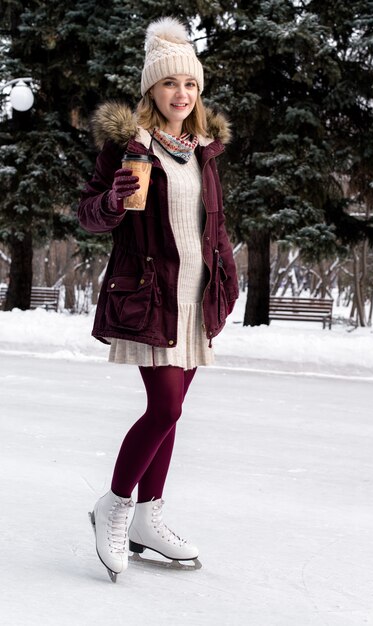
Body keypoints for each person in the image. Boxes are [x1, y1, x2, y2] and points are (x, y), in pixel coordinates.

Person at [78, 16, 238, 581]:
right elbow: (89, 216)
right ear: (152, 89)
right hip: (150, 296)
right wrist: (115, 201)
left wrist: (228, 276)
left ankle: (149, 515)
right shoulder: (130, 146)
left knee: (173, 415)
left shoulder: (202, 151)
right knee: (165, 407)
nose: (182, 93)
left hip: (196, 295)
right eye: (171, 83)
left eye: (191, 84)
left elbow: (211, 225)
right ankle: (115, 506)